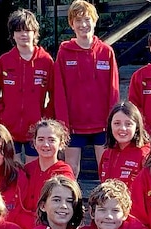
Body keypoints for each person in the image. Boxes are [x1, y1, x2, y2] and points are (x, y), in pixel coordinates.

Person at [53, 0, 119, 177]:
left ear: (95, 21)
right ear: (72, 24)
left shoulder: (106, 52)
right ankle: (73, 204)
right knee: (70, 170)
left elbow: (113, 91)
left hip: (102, 124)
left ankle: (106, 204)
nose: (83, 25)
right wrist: (63, 124)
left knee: (106, 170)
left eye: (87, 19)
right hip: (74, 125)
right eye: (78, 20)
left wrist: (112, 122)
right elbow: (59, 91)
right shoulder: (64, 52)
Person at [0, 9, 54, 161]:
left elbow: (56, 93)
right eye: (18, 30)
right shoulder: (5, 61)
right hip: (8, 129)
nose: (23, 34)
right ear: (13, 35)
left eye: (27, 30)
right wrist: (0, 112)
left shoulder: (46, 61)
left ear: (35, 33)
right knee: (12, 170)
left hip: (35, 130)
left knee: (33, 169)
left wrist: (45, 118)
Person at [12, 119, 76, 229]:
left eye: (51, 140)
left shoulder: (64, 172)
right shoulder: (27, 169)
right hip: (22, 228)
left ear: (61, 143)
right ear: (35, 143)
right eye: (41, 139)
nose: (45, 144)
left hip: (48, 228)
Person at [98, 102, 150, 187]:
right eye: (117, 123)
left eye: (128, 124)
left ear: (137, 127)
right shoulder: (107, 154)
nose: (122, 128)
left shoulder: (145, 155)